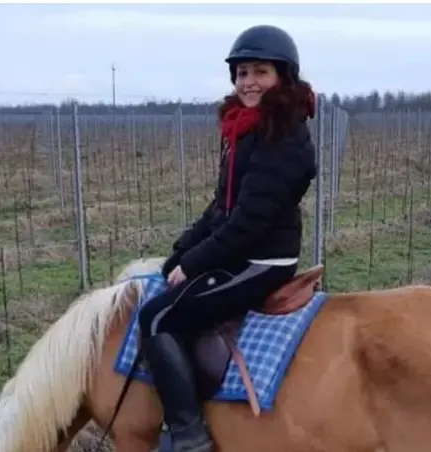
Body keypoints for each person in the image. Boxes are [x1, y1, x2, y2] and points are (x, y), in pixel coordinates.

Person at [138, 24, 318, 452]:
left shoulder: (282, 136)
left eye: (260, 72)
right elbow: (222, 208)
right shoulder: (247, 129)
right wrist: (182, 252)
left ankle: (190, 437)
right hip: (244, 250)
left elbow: (248, 224)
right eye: (242, 73)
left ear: (283, 77)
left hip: (263, 262)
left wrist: (194, 263)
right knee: (167, 289)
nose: (249, 82)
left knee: (158, 318)